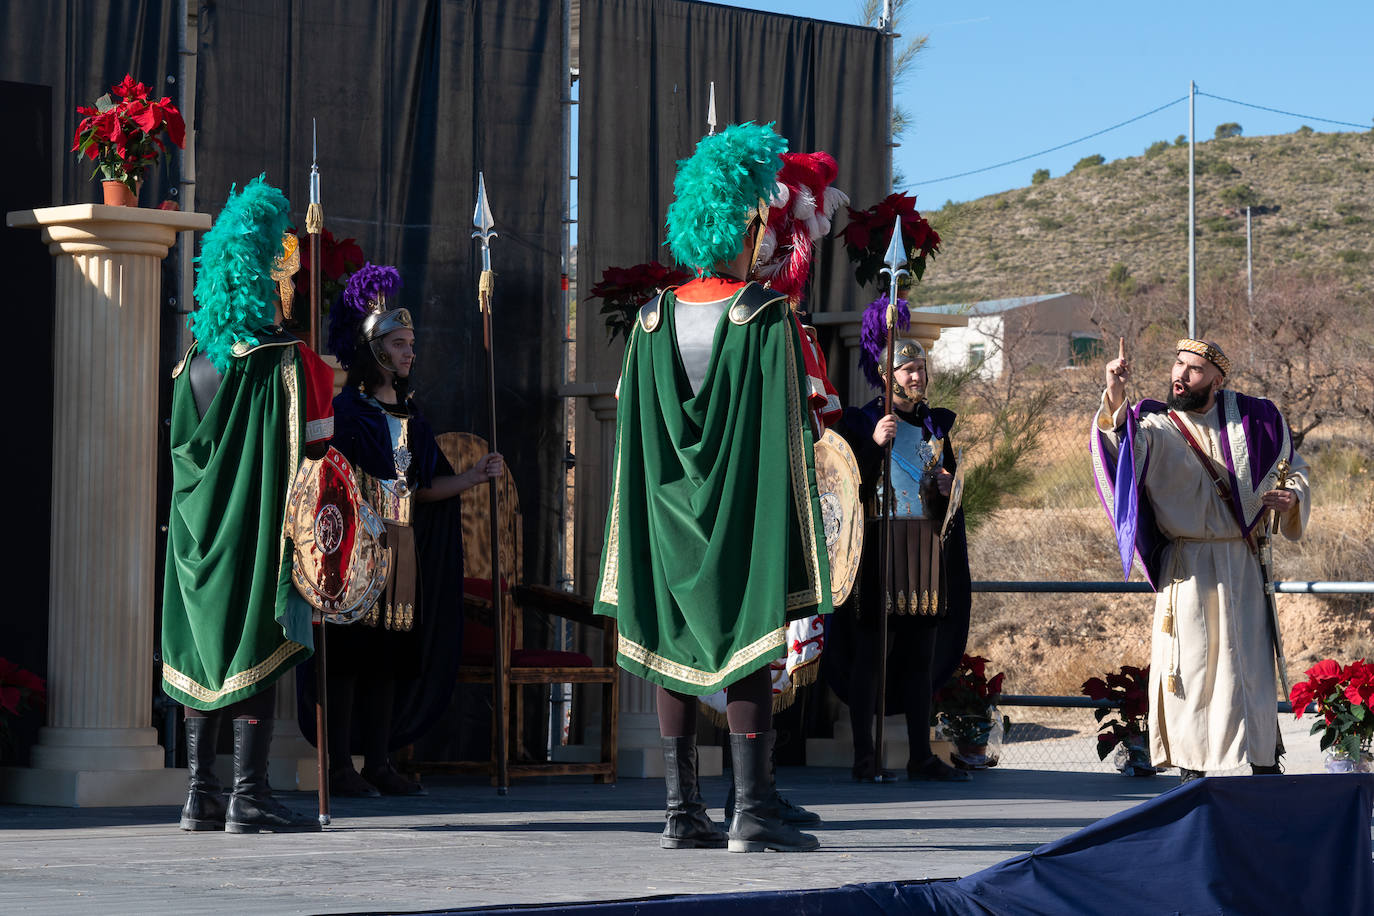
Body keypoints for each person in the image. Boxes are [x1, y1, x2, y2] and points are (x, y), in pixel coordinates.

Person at [593, 123, 832, 853]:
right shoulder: (766, 318)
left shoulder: (648, 319)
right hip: (739, 513)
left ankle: (680, 813)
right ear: (741, 221)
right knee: (750, 644)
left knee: (670, 643)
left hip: (664, 520)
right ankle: (751, 812)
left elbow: (632, 435)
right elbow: (797, 430)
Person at [162, 176, 334, 833]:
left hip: (193, 543)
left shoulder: (189, 368)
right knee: (257, 645)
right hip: (260, 531)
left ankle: (199, 794)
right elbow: (321, 454)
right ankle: (248, 795)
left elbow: (180, 458)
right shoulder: (291, 362)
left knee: (204, 652)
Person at [304, 263, 502, 797]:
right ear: (374, 351)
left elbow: (425, 486)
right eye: (398, 343)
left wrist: (473, 477)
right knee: (347, 656)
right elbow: (327, 480)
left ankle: (380, 760)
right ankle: (339, 764)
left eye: (411, 343)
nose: (410, 352)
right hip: (352, 550)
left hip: (403, 548)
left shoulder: (415, 417)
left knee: (389, 656)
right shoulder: (345, 413)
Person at [1090, 337, 1310, 780]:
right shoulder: (1157, 427)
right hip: (1187, 570)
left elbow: (1297, 469)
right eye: (1177, 364)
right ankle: (1192, 771)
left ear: (1216, 378)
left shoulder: (1255, 422)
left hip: (1242, 564)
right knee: (1190, 671)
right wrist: (1113, 395)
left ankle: (1262, 763)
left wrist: (1292, 499)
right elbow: (1119, 450)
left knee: (1247, 672)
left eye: (1192, 369)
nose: (1180, 375)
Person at [830, 312, 973, 784]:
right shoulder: (862, 421)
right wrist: (872, 445)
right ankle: (864, 759)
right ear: (887, 377)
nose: (917, 376)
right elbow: (846, 485)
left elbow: (943, 497)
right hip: (878, 545)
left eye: (921, 369)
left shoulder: (937, 428)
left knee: (920, 657)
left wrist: (948, 487)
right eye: (908, 370)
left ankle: (920, 756)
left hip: (924, 547)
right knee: (871, 656)